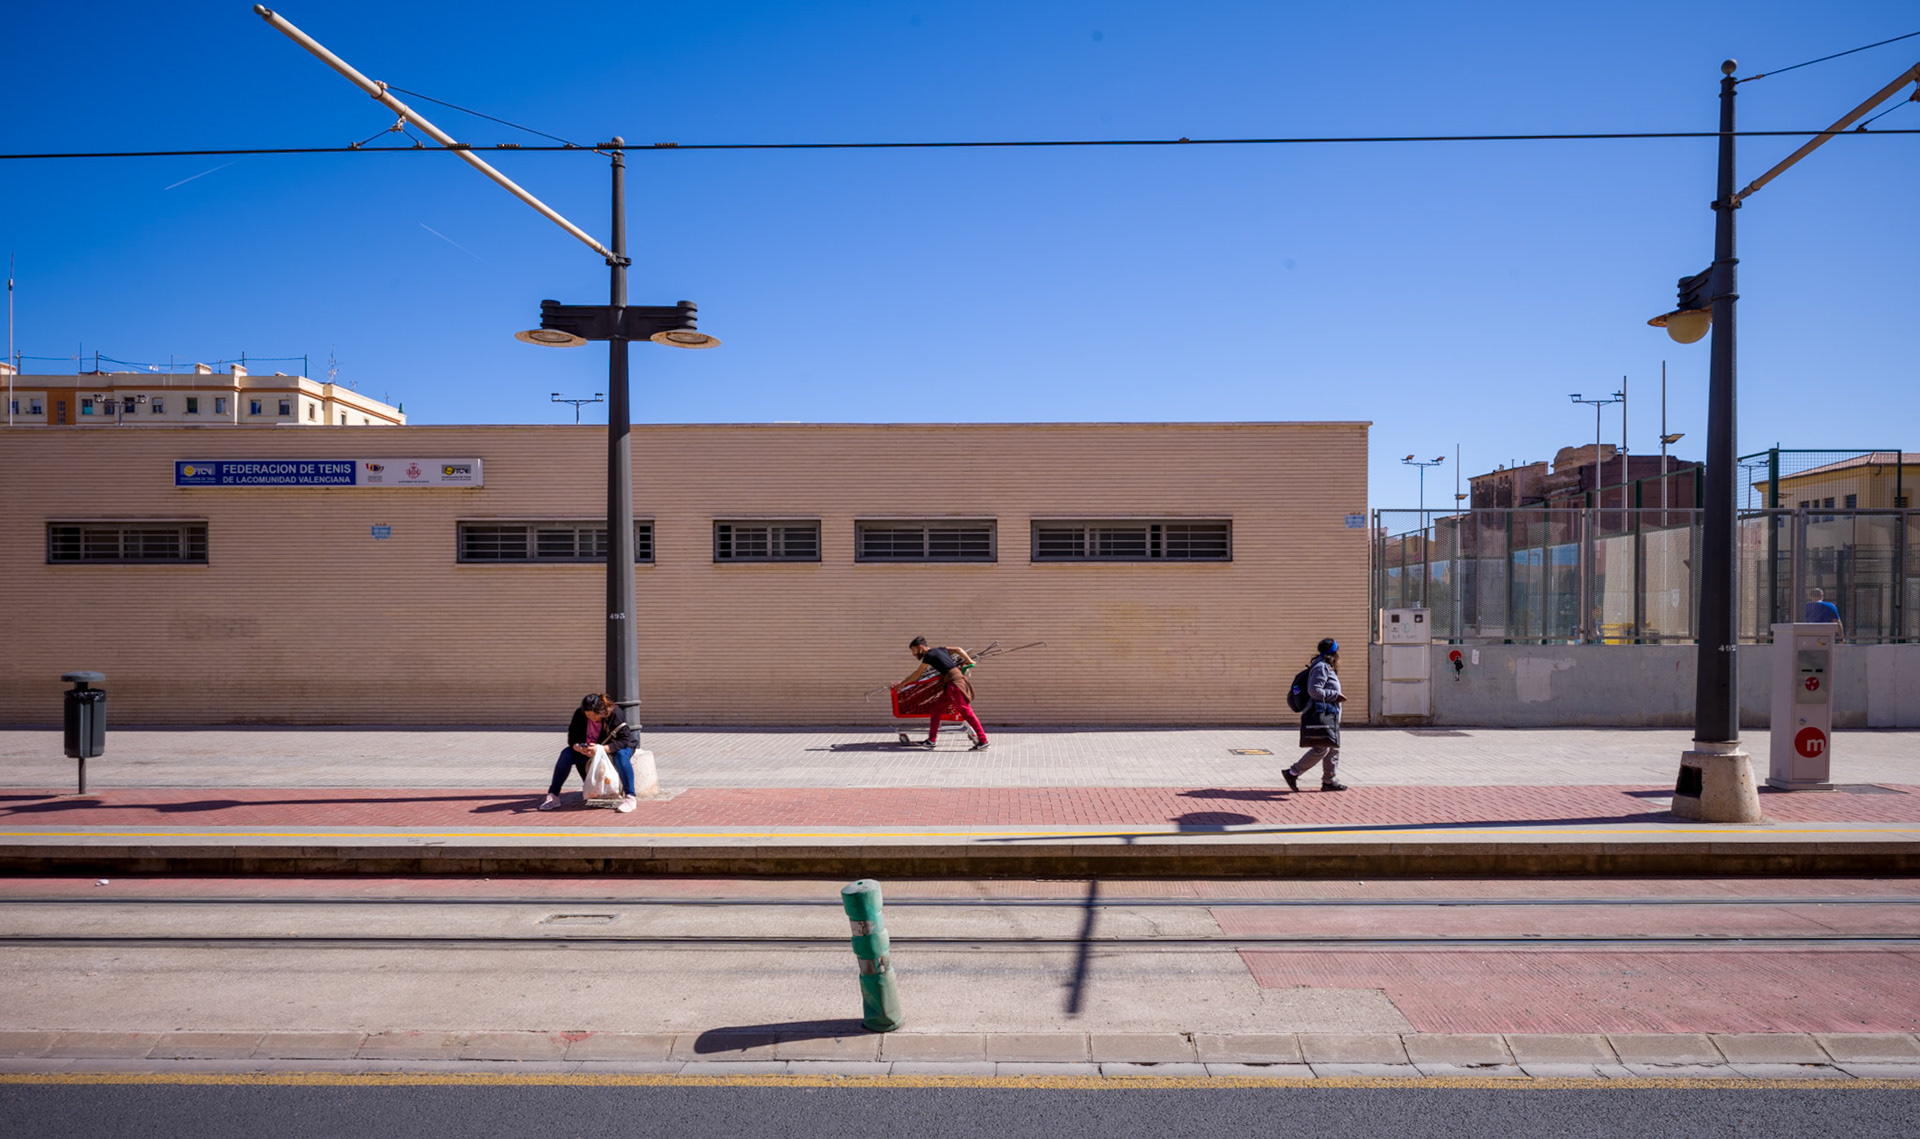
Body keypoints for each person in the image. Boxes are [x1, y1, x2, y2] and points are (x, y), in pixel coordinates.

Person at [539, 692, 639, 812]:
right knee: (566, 754)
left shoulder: (614, 713)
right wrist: (578, 747)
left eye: (595, 715)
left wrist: (602, 749)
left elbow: (624, 740)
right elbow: (572, 738)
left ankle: (630, 797)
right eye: (588, 715)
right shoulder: (579, 714)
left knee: (621, 756)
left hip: (616, 747)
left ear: (602, 712)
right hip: (590, 749)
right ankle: (553, 796)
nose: (592, 718)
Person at [901, 635, 990, 751]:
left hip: (954, 683)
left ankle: (983, 741)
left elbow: (917, 673)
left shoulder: (929, 655)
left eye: (914, 650)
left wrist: (903, 684)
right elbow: (958, 649)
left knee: (966, 712)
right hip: (950, 684)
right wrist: (969, 660)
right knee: (936, 709)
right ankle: (931, 741)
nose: (913, 654)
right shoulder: (940, 650)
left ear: (921, 647)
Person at [1283, 638, 1348, 792]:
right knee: (1321, 748)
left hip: (1331, 715)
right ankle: (1293, 772)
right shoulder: (1321, 667)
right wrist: (1335, 695)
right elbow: (1314, 690)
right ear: (1334, 652)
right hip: (1323, 714)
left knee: (1333, 747)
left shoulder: (1325, 666)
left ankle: (1329, 781)